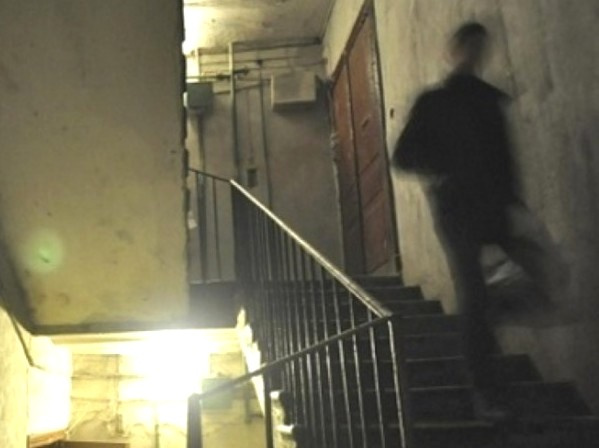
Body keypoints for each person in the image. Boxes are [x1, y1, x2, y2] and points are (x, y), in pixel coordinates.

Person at [393, 22, 569, 420]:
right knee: (473, 292)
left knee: (544, 276)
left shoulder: (489, 102)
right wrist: (445, 171)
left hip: (494, 207)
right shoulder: (435, 102)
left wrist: (515, 205)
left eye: (479, 48)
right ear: (453, 51)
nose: (474, 55)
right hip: (457, 209)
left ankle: (490, 317)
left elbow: (505, 161)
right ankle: (486, 391)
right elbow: (404, 156)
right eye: (467, 47)